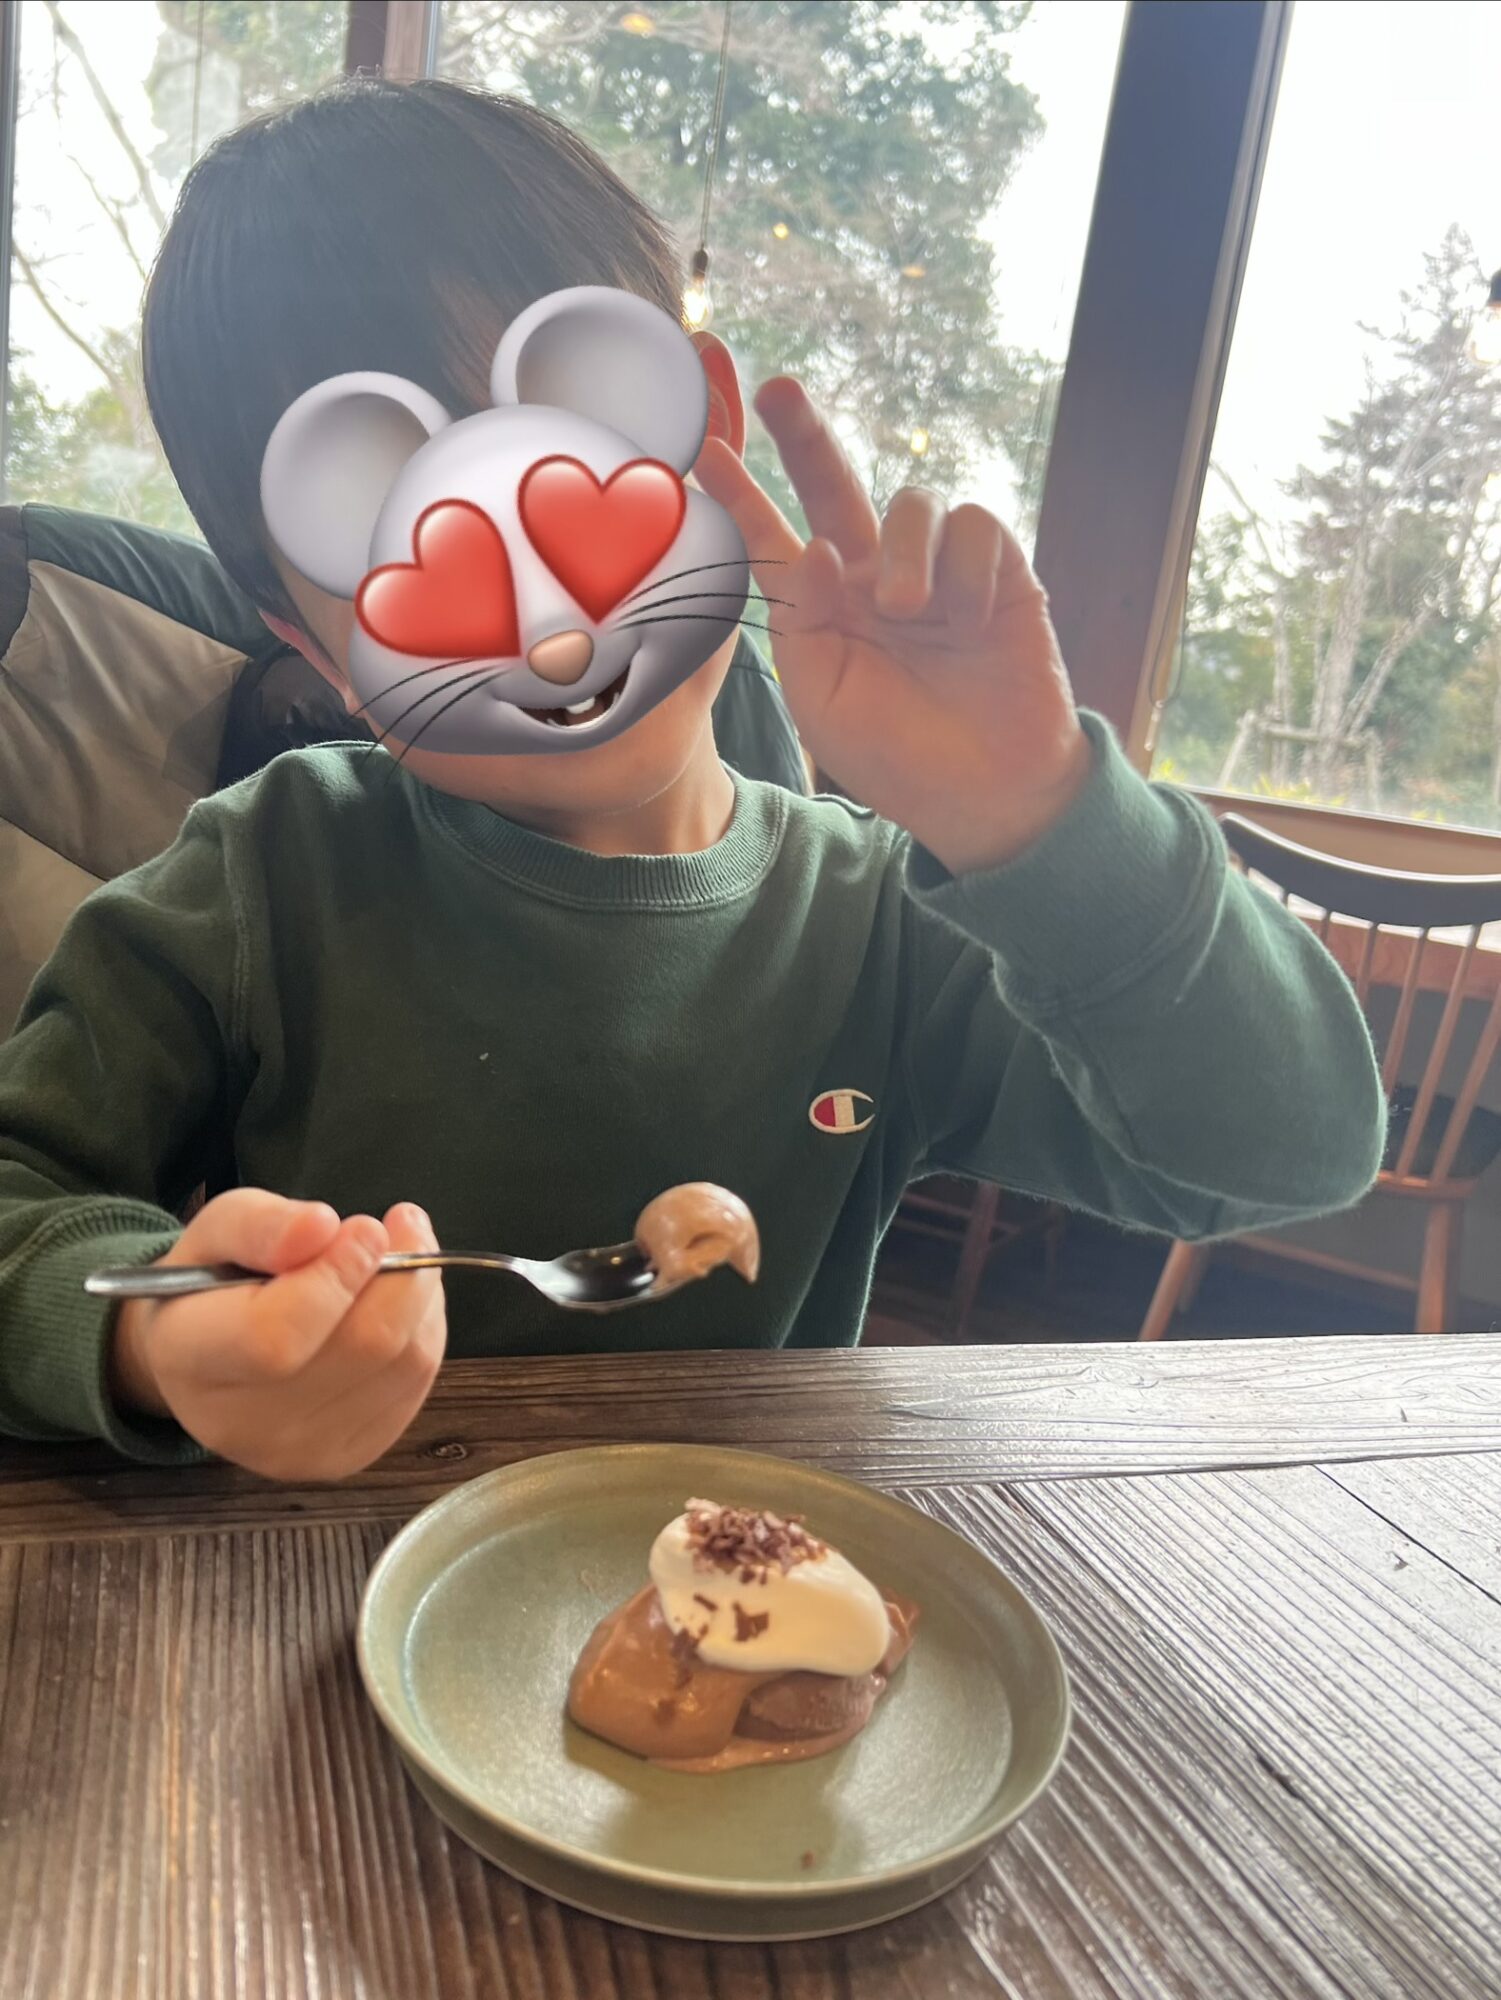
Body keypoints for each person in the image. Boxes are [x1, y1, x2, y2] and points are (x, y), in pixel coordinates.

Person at [0, 80, 1384, 1481]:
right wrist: (149, 1340)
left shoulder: (883, 924)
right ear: (316, 650)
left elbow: (1284, 1151)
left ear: (707, 430)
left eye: (580, 424)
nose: (540, 594)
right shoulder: (258, 883)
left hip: (748, 1583)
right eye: (379, 523)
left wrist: (1041, 821)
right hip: (314, 1582)